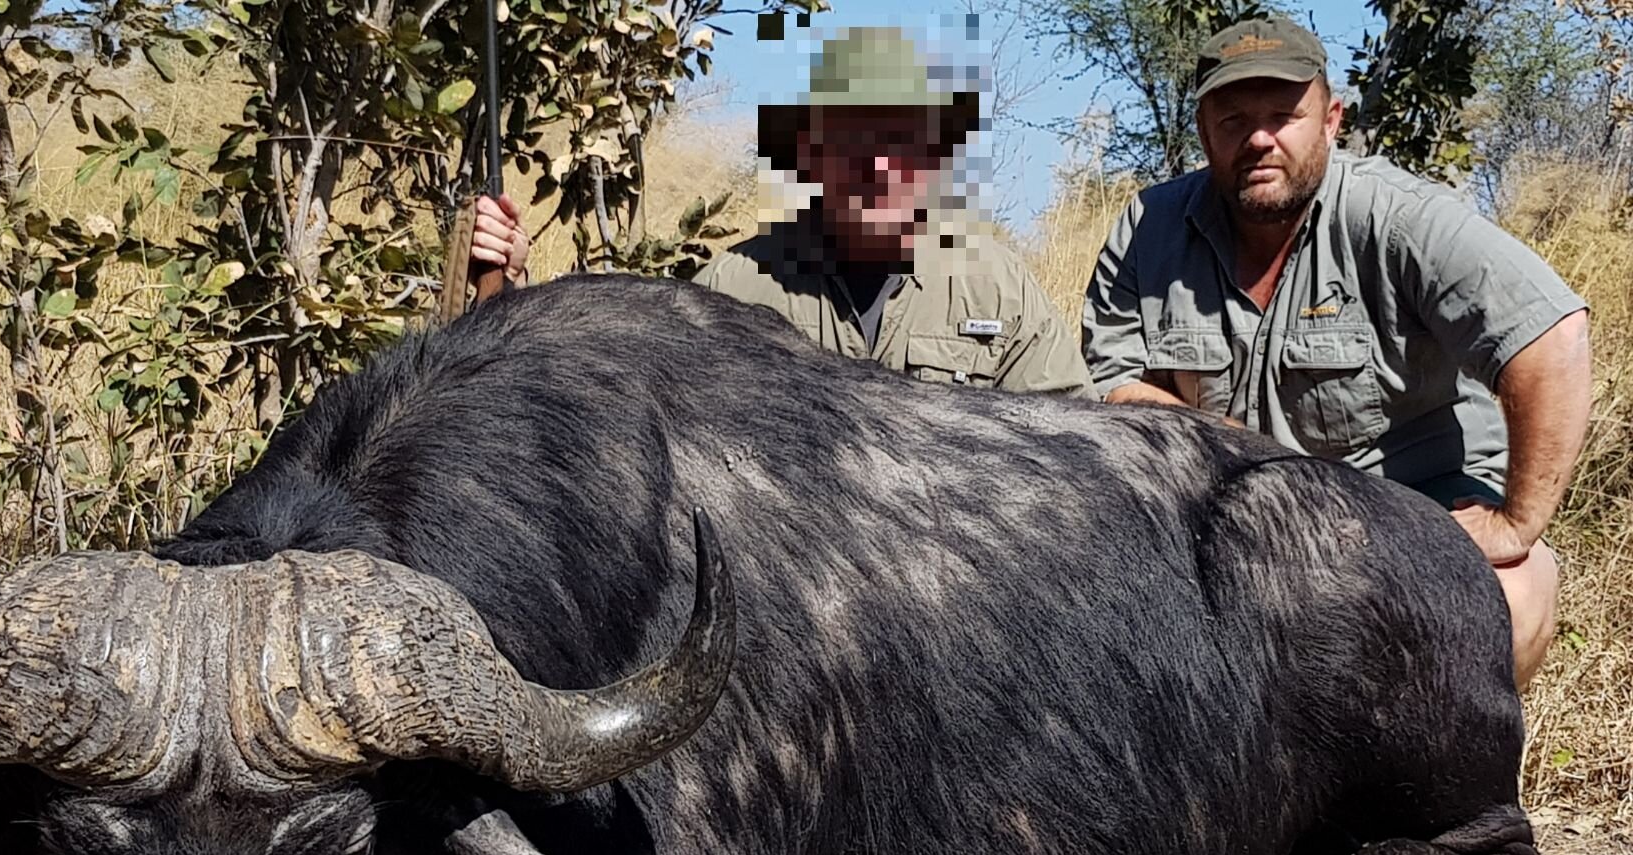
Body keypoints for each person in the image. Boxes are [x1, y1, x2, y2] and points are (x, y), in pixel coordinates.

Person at [1083, 17, 1591, 688]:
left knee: (1515, 595)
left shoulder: (1399, 216)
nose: (1259, 139)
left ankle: (1462, 777)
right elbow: (1114, 384)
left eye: (1283, 116)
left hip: (1417, 512)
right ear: (1204, 132)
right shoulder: (1147, 228)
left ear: (1331, 119)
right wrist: (1227, 444)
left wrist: (1516, 524)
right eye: (1233, 120)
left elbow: (1553, 337)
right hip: (1241, 517)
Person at [470, 26, 1091, 396]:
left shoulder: (999, 291)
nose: (879, 167)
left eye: (901, 141)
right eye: (855, 141)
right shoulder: (735, 286)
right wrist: (514, 291)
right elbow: (624, 405)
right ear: (813, 158)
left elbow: (1073, 456)